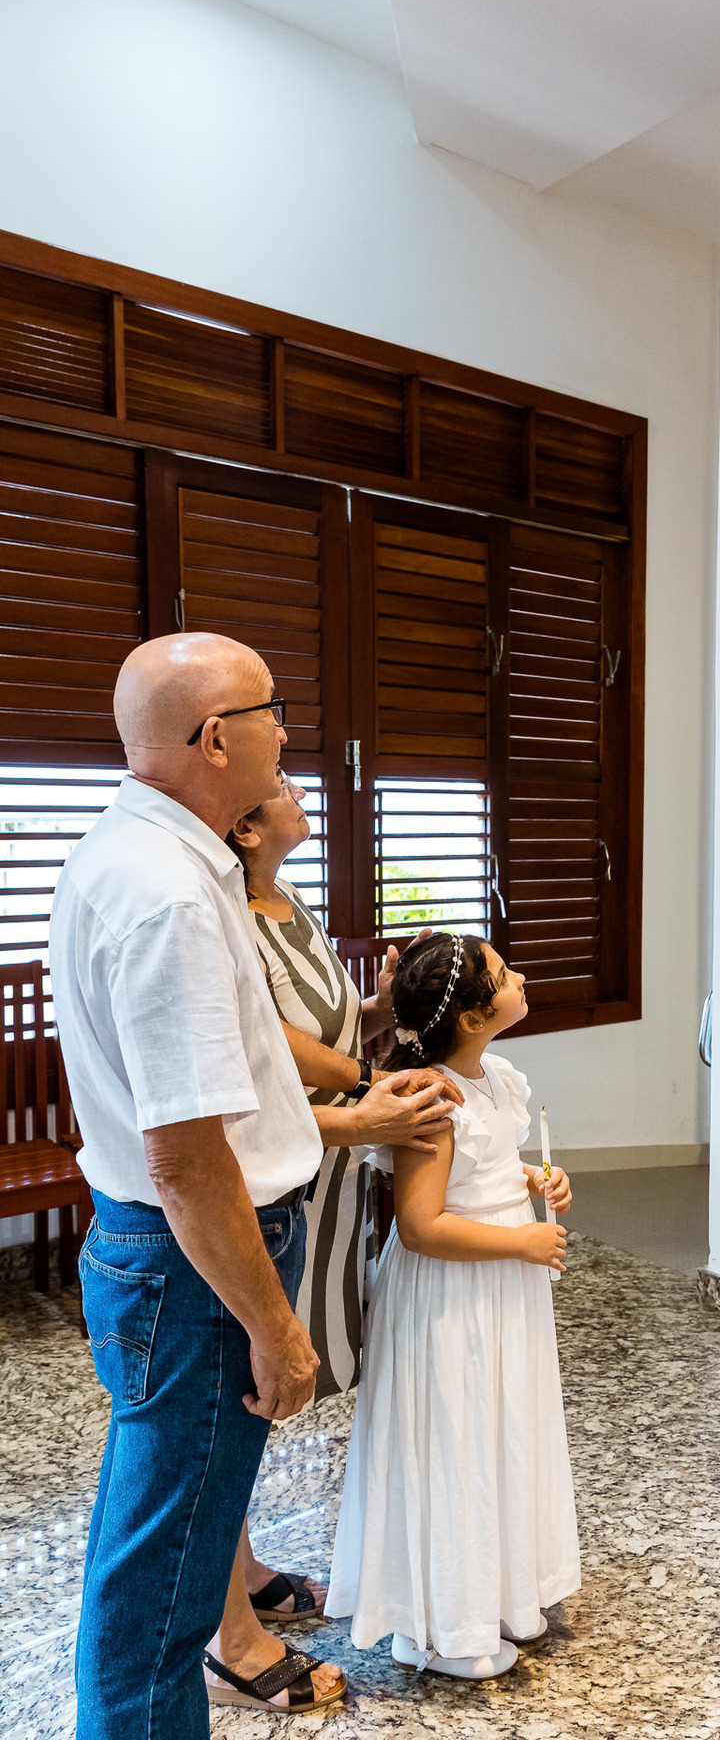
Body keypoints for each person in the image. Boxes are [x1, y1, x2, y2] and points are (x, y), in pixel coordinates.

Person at [49, 633, 459, 1737]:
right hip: (192, 1273)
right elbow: (188, 1161)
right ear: (219, 736)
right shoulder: (171, 898)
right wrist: (275, 1330)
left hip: (164, 1256)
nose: (291, 734)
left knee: (152, 1548)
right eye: (277, 710)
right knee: (164, 1592)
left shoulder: (149, 855)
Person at [325, 931, 580, 1680]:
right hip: (450, 1292)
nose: (521, 974)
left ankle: (489, 1593)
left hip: (498, 1288)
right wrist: (523, 1244)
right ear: (471, 1017)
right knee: (452, 1437)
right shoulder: (430, 1099)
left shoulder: (498, 1077)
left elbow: (488, 1169)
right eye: (504, 974)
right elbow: (422, 1224)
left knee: (496, 1430)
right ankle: (437, 1625)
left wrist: (538, 1184)